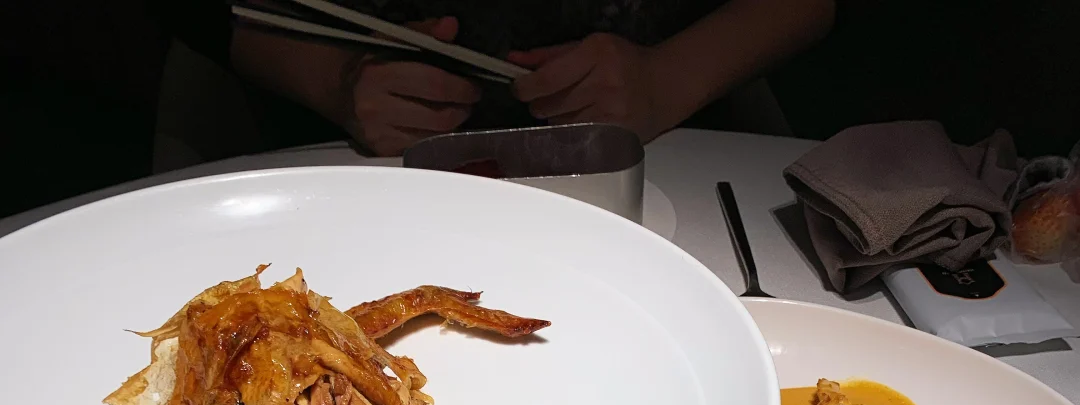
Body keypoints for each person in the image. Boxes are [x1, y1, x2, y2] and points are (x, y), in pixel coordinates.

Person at [230, 0, 835, 157]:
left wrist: (669, 77)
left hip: (673, 145)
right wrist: (336, 80)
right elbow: (216, 19)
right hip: (358, 150)